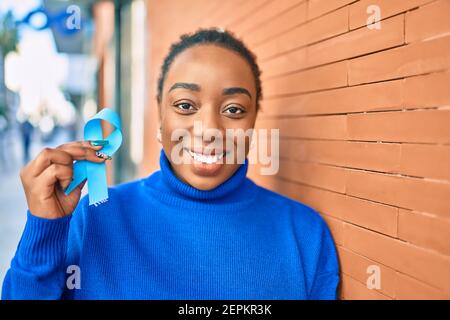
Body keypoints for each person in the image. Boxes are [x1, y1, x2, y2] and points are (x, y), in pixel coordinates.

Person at [2, 28, 339, 300]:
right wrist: (44, 229)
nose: (209, 130)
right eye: (185, 105)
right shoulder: (94, 218)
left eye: (234, 109)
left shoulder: (304, 234)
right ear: (160, 117)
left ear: (253, 122)